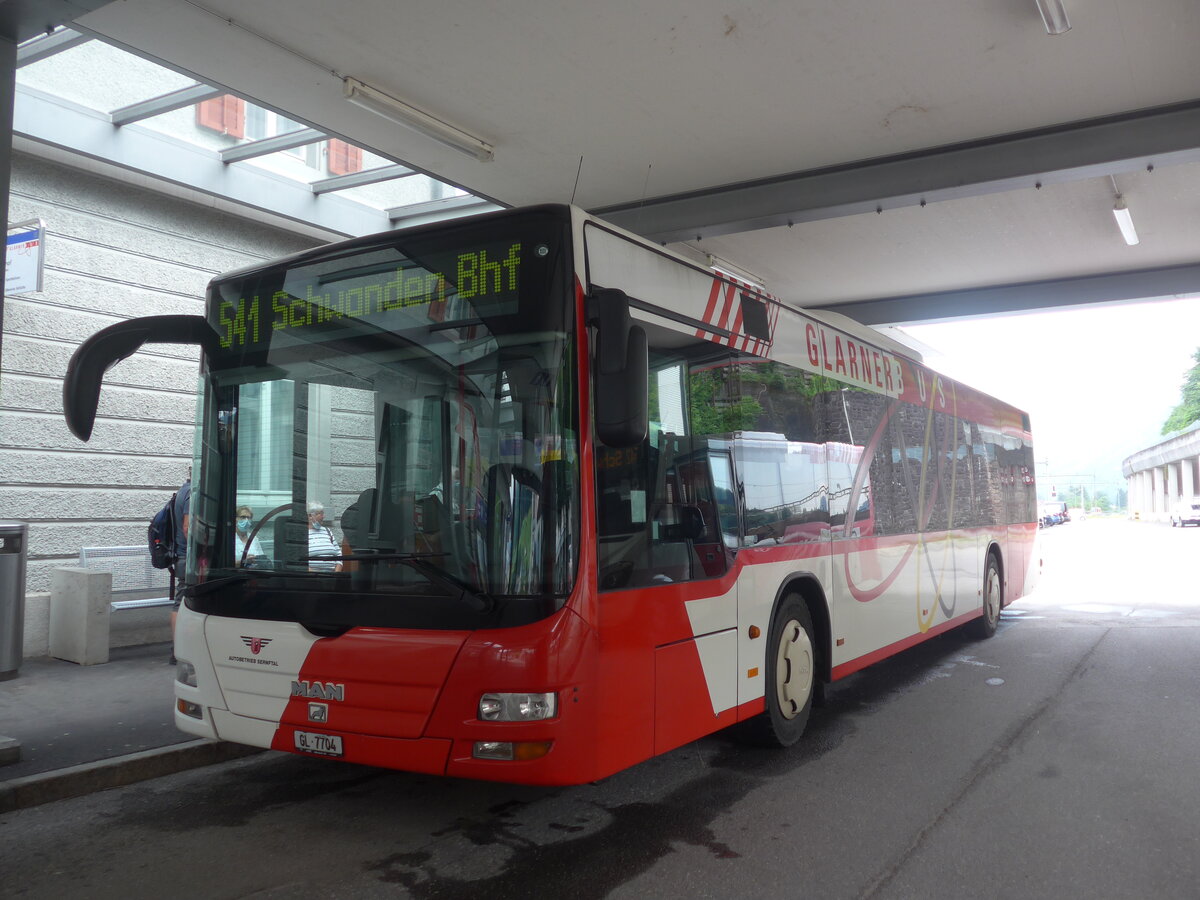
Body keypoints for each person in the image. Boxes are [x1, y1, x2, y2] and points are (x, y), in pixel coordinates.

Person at [169, 469, 191, 665]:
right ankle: (177, 651)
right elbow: (187, 526)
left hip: (180, 555)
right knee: (182, 601)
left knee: (181, 600)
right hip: (187, 556)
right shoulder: (193, 492)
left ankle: (178, 649)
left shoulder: (182, 490)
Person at [307, 501, 342, 572]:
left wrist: (336, 573)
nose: (324, 516)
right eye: (321, 513)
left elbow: (339, 554)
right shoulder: (302, 534)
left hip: (332, 576)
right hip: (311, 578)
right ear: (310, 516)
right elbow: (298, 560)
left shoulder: (327, 531)